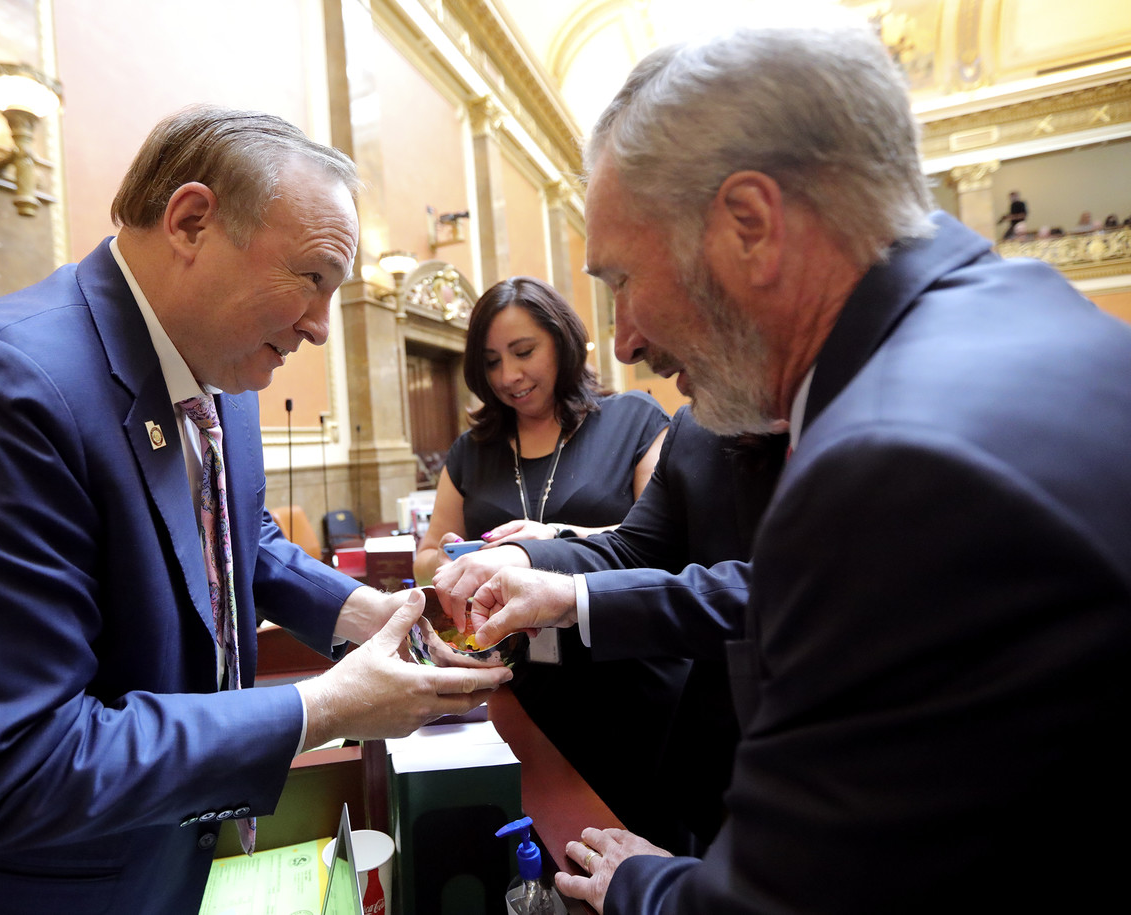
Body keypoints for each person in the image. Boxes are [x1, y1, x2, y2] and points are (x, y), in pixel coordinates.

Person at [466, 18, 1131, 914]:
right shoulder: (1027, 309)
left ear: (750, 225)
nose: (622, 336)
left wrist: (640, 882)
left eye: (621, 278)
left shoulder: (891, 467)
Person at [0, 106, 511, 914]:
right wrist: (326, 708)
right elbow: (13, 767)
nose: (321, 327)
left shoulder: (224, 382)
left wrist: (369, 611)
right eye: (313, 277)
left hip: (156, 861)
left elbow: (236, 538)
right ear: (191, 221)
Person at [435, 409, 786, 853]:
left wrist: (572, 597)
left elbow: (776, 592)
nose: (625, 350)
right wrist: (524, 559)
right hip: (713, 769)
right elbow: (635, 547)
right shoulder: (693, 426)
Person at [412, 275, 675, 843]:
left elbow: (659, 542)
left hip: (624, 679)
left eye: (524, 352)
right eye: (491, 362)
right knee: (538, 837)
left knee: (629, 836)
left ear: (563, 340)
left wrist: (548, 539)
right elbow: (428, 555)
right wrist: (464, 563)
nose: (509, 376)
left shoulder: (634, 418)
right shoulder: (472, 450)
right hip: (517, 681)